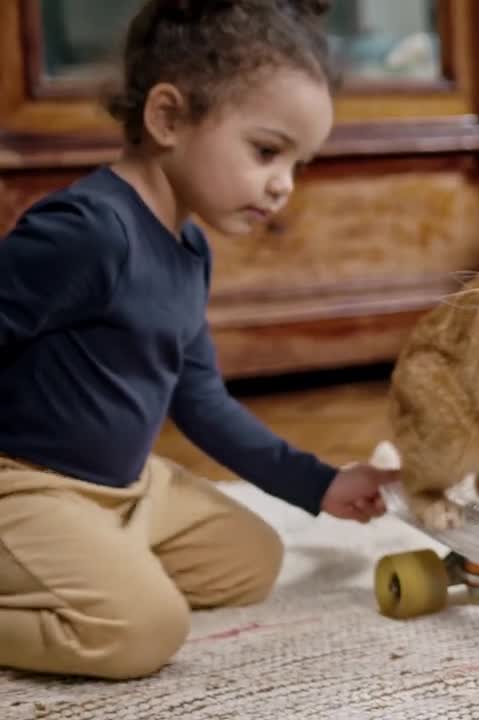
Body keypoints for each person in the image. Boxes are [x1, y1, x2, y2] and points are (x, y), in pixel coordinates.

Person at [0, 0, 395, 681]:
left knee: (252, 559)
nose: (284, 185)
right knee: (142, 630)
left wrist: (321, 483)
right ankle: (83, 576)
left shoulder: (188, 250)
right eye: (268, 151)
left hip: (127, 488)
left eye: (298, 163)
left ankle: (89, 560)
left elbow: (203, 403)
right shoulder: (88, 231)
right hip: (26, 487)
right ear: (168, 118)